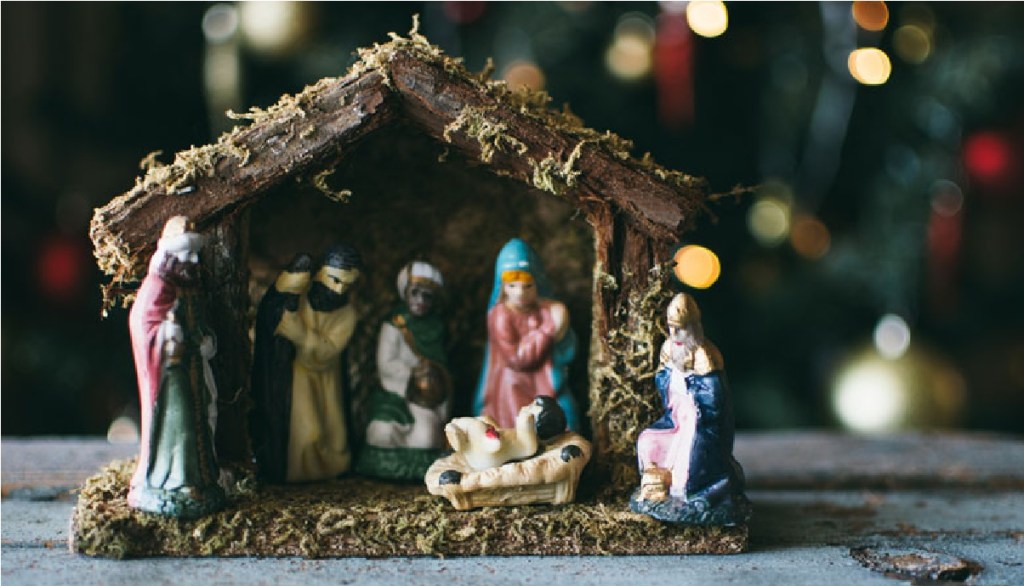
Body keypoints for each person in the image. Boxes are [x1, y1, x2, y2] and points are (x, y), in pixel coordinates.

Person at [127, 216, 225, 518]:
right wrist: (168, 337)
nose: (192, 262)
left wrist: (203, 339)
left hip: (190, 370)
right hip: (169, 380)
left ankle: (199, 478)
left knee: (199, 422)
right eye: (186, 255)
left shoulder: (189, 287)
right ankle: (172, 482)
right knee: (178, 430)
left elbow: (197, 322)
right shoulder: (156, 287)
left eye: (194, 255)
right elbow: (143, 325)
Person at [251, 244, 362, 483]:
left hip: (325, 378)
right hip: (297, 376)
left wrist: (300, 335)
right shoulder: (299, 297)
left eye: (347, 284)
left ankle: (329, 469)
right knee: (308, 432)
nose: (339, 289)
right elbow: (273, 315)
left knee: (331, 434)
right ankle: (296, 471)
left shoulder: (347, 314)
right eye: (335, 279)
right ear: (320, 272)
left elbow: (329, 351)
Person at [634, 293, 747, 520]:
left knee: (687, 462)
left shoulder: (705, 356)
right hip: (677, 418)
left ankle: (691, 491)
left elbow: (713, 401)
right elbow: (663, 381)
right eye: (671, 328)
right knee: (648, 441)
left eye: (681, 329)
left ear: (693, 328)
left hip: (700, 423)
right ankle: (656, 482)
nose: (675, 334)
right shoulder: (669, 348)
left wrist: (692, 391)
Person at [473, 238, 579, 432]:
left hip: (546, 381)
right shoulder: (500, 315)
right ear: (502, 286)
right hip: (513, 388)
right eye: (512, 286)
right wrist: (548, 330)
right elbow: (518, 359)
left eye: (527, 286)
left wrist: (561, 320)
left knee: (568, 416)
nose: (520, 293)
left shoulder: (544, 309)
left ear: (538, 283)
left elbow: (567, 348)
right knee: (523, 429)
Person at [359, 261, 451, 479]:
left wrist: (433, 376)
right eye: (415, 293)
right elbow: (386, 363)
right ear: (405, 293)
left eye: (427, 296)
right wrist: (413, 372)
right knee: (382, 432)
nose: (420, 301)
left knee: (427, 437)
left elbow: (442, 367)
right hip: (397, 390)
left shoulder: (437, 327)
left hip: (426, 397)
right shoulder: (395, 325)